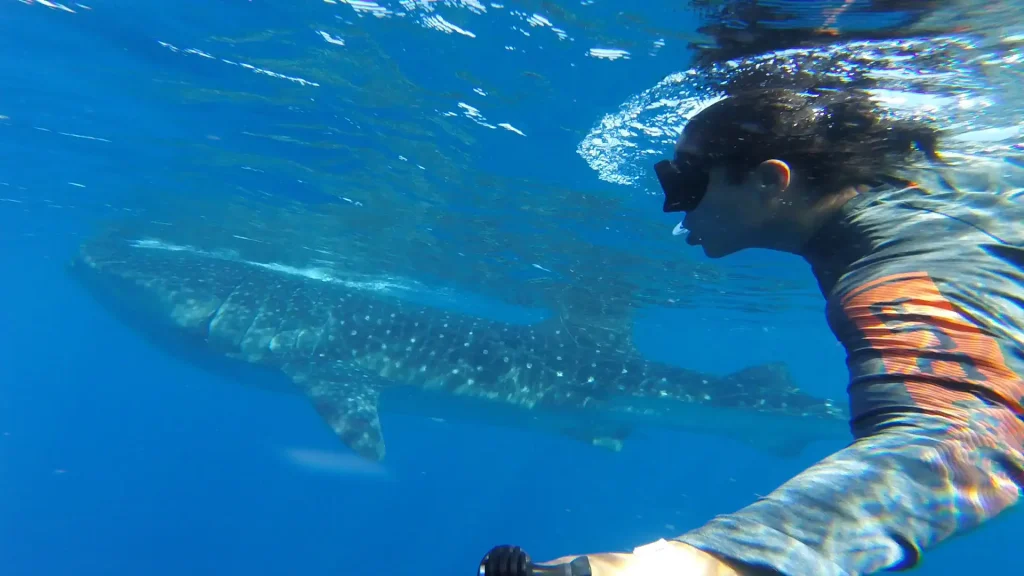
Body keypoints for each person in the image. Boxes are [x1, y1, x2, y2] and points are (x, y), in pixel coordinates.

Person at [536, 87, 1024, 575]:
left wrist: (705, 564)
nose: (673, 206)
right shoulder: (916, 189)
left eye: (685, 182)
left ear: (771, 180)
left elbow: (970, 437)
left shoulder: (894, 272)